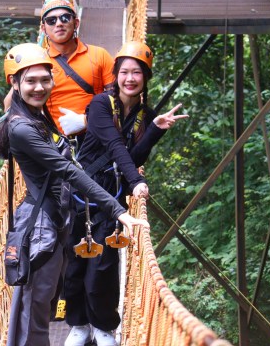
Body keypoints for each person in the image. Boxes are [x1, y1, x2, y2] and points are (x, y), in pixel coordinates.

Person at [0, 43, 149, 346]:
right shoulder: (22, 128)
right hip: (42, 227)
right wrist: (117, 210)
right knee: (35, 310)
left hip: (56, 223)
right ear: (14, 84)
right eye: (30, 81)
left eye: (44, 80)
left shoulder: (38, 115)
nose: (39, 87)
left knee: (46, 301)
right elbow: (69, 171)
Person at [63, 41, 188, 346]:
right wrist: (137, 182)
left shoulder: (145, 114)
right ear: (116, 75)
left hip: (111, 198)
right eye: (125, 72)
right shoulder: (99, 105)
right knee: (74, 264)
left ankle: (104, 326)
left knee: (103, 268)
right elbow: (116, 148)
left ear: (145, 78)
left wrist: (156, 129)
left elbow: (134, 157)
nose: (130, 78)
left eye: (137, 73)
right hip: (82, 191)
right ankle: (79, 325)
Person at [4, 0, 115, 144]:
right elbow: (10, 106)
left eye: (65, 18)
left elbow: (119, 102)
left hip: (98, 138)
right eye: (51, 20)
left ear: (76, 23)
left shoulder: (99, 55)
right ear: (43, 28)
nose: (59, 24)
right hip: (57, 143)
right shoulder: (37, 62)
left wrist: (86, 120)